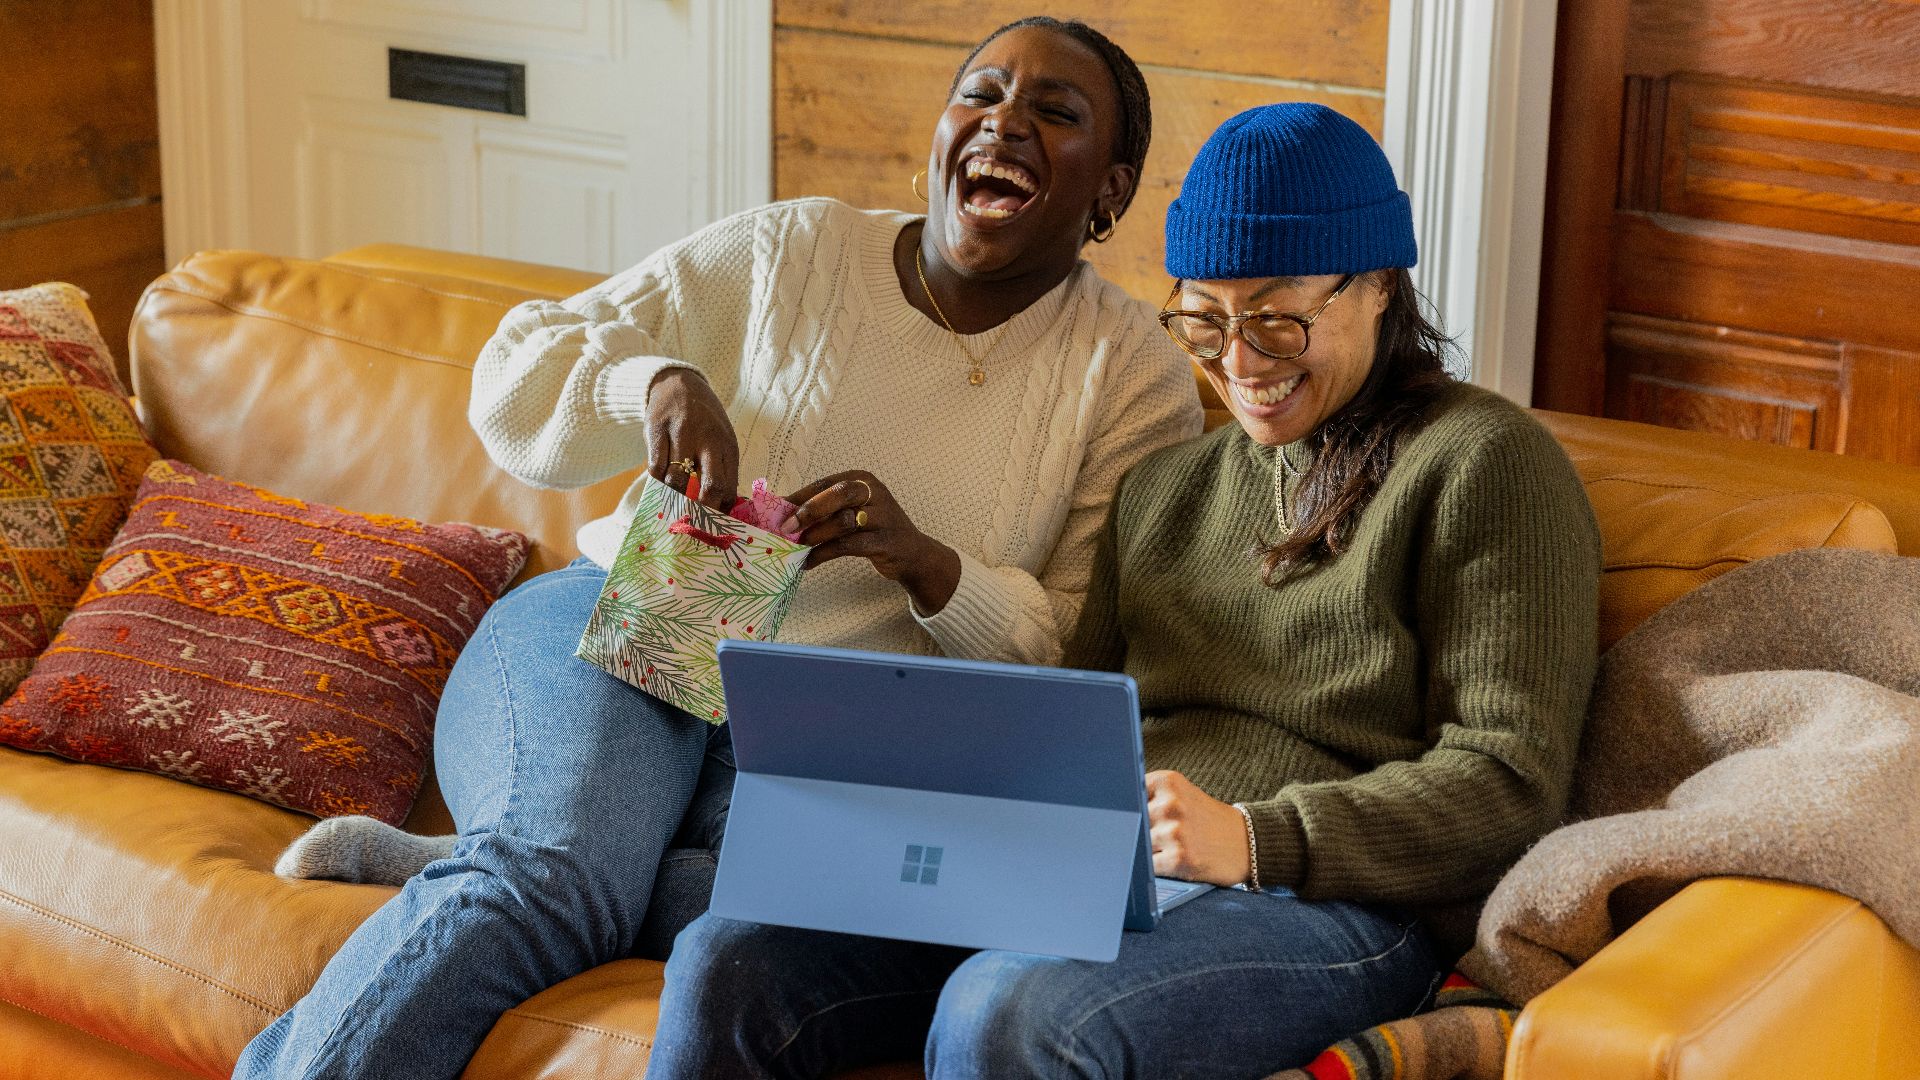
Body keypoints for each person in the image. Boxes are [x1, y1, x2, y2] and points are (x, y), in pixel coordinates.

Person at [233, 16, 1201, 1080]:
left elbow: (1078, 652)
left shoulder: (1133, 376)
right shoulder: (797, 250)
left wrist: (930, 566)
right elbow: (514, 371)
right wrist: (652, 382)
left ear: (1109, 191)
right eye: (981, 94)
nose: (1004, 122)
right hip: (633, 615)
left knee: (759, 910)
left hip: (834, 731)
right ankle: (527, 860)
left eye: (1053, 114)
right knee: (551, 881)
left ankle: (496, 855)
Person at [649, 103, 1602, 1078]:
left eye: (1277, 320)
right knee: (727, 959)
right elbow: (1071, 727)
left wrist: (1259, 839)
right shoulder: (1165, 489)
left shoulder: (1486, 462)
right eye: (1205, 321)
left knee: (1009, 1010)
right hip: (1106, 875)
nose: (1239, 365)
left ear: (1377, 288)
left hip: (1336, 903)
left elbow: (1510, 782)